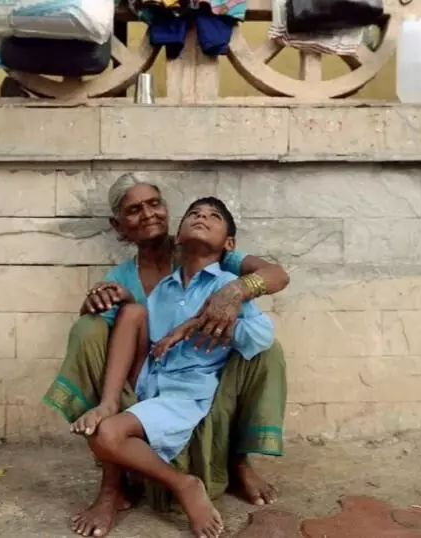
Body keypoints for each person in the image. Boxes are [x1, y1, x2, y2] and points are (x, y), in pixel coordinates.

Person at [43, 173, 289, 537]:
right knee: (94, 327)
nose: (147, 214)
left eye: (154, 204)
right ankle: (112, 483)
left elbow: (277, 275)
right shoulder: (133, 279)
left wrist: (234, 293)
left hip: (195, 381)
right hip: (148, 374)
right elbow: (118, 335)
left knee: (268, 349)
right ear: (118, 226)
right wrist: (98, 304)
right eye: (134, 210)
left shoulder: (208, 256)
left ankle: (237, 462)